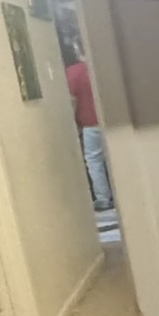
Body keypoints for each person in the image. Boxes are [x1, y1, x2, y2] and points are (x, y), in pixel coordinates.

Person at [58, 20, 113, 214]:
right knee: (115, 158)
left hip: (90, 124)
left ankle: (103, 198)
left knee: (94, 161)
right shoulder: (104, 67)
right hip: (112, 121)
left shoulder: (73, 72)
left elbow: (72, 100)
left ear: (77, 47)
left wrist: (72, 125)